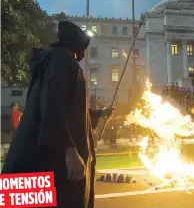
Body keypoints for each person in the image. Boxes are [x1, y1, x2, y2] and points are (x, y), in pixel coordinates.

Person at [1, 21, 113, 208]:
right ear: (76, 45)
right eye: (83, 48)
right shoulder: (62, 59)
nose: (84, 54)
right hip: (50, 161)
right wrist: (68, 149)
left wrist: (99, 114)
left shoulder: (53, 61)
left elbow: (69, 108)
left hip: (41, 159)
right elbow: (53, 104)